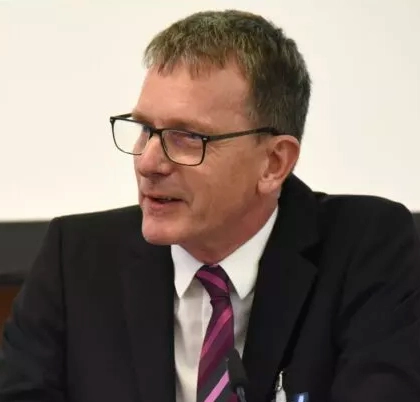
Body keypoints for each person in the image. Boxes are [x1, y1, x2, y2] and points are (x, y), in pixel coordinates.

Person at [1, 9, 420, 402]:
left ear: (274, 163)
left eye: (187, 137)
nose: (147, 162)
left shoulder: (365, 248)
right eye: (144, 128)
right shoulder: (76, 259)